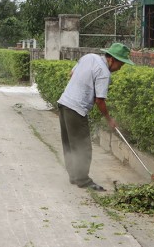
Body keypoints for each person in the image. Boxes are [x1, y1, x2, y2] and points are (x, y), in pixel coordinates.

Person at [57, 42, 134, 192]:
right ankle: (83, 180)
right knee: (83, 146)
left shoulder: (89, 57)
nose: (120, 68)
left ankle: (74, 175)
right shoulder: (104, 73)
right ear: (112, 59)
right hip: (76, 109)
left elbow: (71, 74)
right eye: (120, 64)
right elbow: (100, 100)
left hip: (64, 103)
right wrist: (109, 119)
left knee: (69, 143)